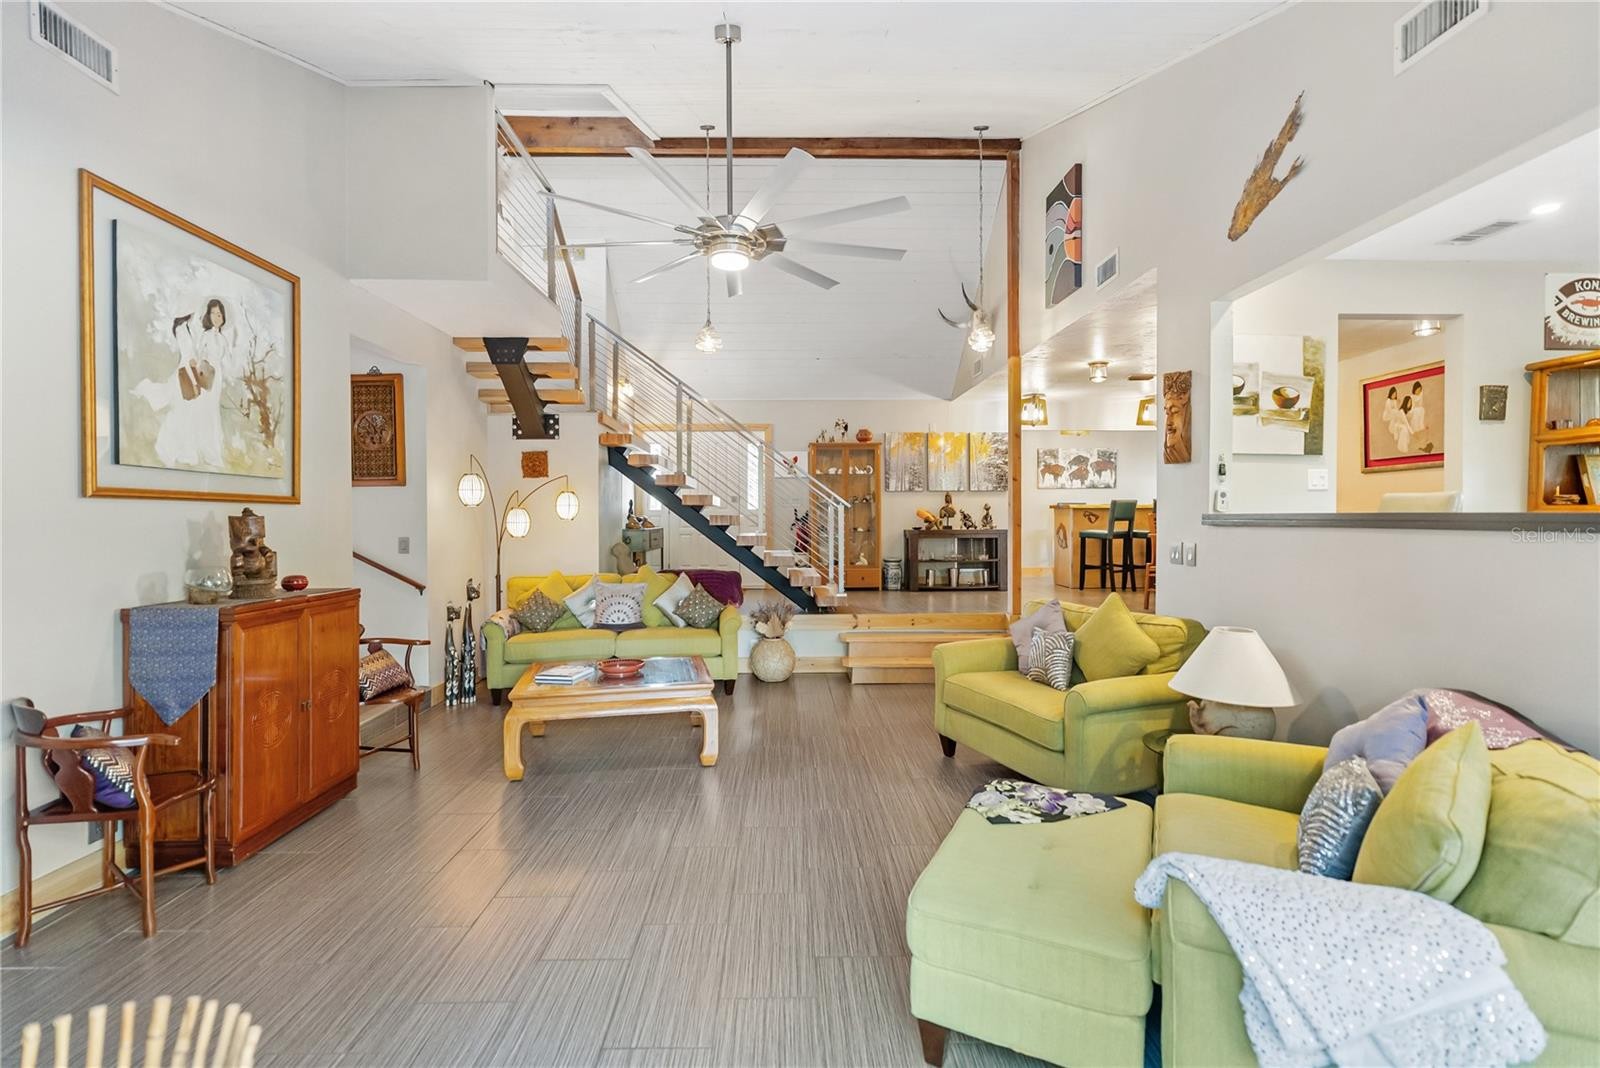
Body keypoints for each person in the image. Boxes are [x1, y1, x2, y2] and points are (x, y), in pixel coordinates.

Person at [133, 298, 232, 470]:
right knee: (187, 412)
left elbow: (217, 357)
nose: (218, 316)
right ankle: (183, 451)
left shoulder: (215, 337)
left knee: (200, 413)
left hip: (213, 377)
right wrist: (196, 369)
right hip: (197, 374)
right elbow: (194, 355)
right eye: (214, 313)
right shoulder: (192, 332)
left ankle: (197, 452)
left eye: (220, 314)